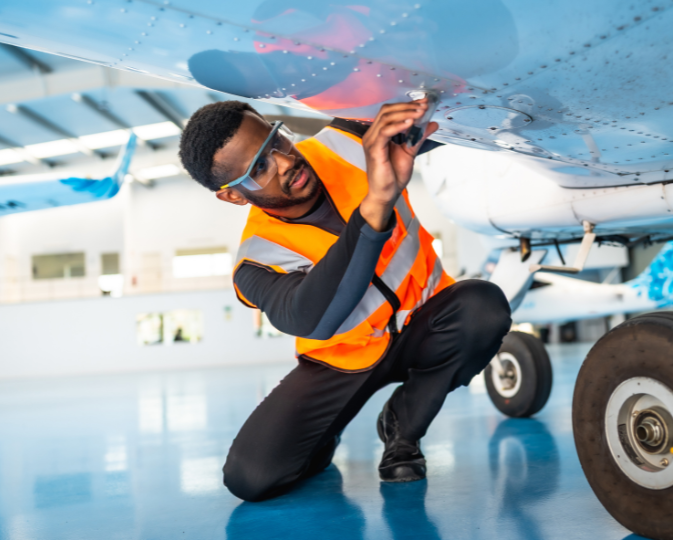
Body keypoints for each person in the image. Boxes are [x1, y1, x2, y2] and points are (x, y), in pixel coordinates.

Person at [178, 99, 511, 502]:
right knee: (251, 477)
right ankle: (322, 440)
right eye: (260, 168)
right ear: (233, 196)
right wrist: (376, 204)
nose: (283, 162)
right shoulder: (257, 261)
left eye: (274, 141)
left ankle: (401, 428)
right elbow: (311, 318)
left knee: (482, 306)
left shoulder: (352, 139)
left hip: (427, 323)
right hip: (341, 362)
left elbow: (462, 110)